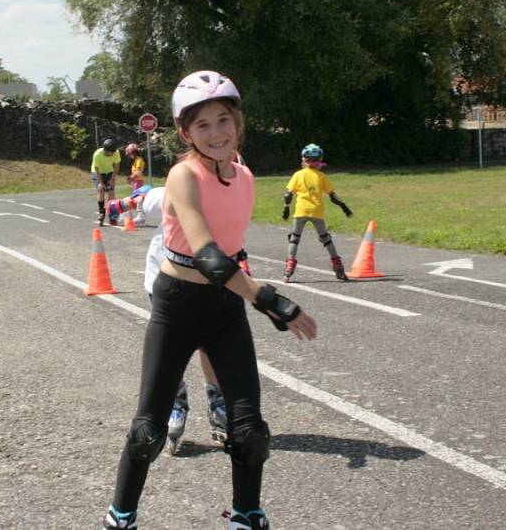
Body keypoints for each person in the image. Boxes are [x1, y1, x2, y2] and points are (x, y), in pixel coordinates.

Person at [101, 70, 317, 530]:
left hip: (224, 310)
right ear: (185, 132)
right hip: (178, 304)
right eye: (203, 125)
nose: (216, 132)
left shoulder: (244, 176)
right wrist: (269, 299)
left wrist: (250, 295)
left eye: (224, 120)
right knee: (147, 433)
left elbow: (232, 250)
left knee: (250, 431)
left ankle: (246, 517)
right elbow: (209, 257)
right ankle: (120, 519)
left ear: (238, 122)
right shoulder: (184, 175)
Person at [138, 185, 231, 455]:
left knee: (208, 344)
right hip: (166, 282)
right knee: (171, 347)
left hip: (211, 280)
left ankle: (217, 400)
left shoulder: (233, 194)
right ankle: (174, 402)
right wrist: (133, 200)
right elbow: (147, 202)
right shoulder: (173, 190)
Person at [281, 143, 354, 283]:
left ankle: (289, 268)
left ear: (304, 159)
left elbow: (288, 194)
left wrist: (286, 208)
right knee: (326, 238)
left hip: (301, 211)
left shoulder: (298, 175)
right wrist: (345, 208)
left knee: (294, 238)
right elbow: (333, 196)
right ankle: (338, 267)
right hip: (317, 211)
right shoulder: (322, 176)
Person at [91, 138, 122, 226]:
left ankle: (111, 213)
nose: (112, 154)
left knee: (111, 192)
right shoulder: (97, 154)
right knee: (101, 189)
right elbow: (96, 169)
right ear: (106, 150)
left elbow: (116, 166)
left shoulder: (116, 152)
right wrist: (101, 182)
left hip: (109, 171)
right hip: (97, 172)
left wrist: (112, 179)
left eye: (113, 152)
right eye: (110, 152)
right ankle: (101, 211)